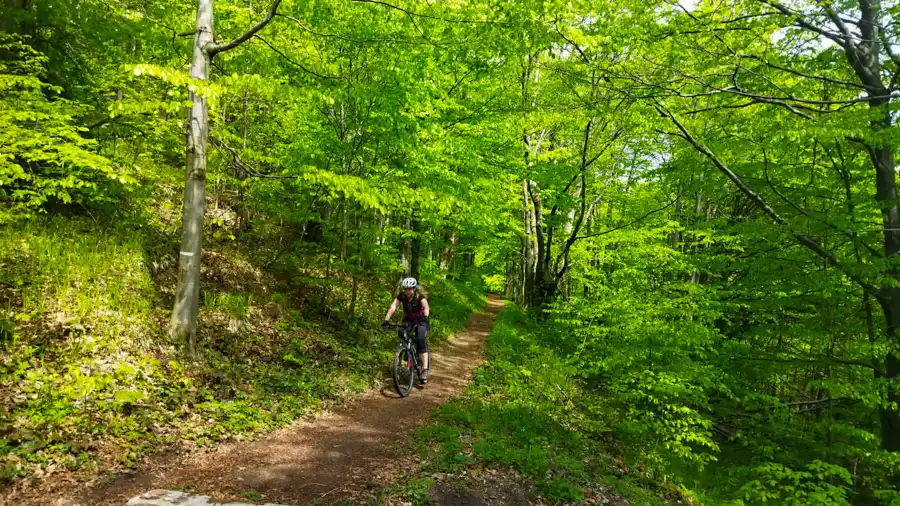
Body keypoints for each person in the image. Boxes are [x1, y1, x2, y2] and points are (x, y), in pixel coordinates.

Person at [383, 277, 430, 384]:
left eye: (409, 289)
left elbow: (426, 308)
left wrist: (425, 316)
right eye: (405, 289)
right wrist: (386, 319)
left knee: (420, 338)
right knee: (401, 332)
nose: (407, 291)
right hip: (409, 319)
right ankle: (408, 351)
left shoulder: (420, 297)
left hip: (421, 320)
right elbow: (393, 307)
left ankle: (425, 369)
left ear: (413, 288)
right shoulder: (402, 296)